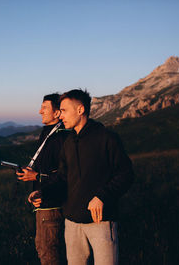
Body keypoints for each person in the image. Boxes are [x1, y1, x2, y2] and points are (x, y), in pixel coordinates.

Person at [39, 89, 134, 265]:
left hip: (101, 221)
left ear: (80, 110)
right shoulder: (68, 143)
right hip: (72, 223)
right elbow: (62, 178)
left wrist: (102, 197)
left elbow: (126, 174)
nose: (60, 116)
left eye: (64, 110)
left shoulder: (107, 138)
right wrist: (43, 194)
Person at [16, 93, 68, 265]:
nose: (40, 111)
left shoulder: (61, 137)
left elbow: (65, 175)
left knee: (49, 253)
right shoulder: (48, 133)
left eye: (45, 107)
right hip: (43, 202)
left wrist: (36, 176)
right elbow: (48, 166)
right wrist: (32, 171)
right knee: (42, 248)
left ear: (57, 113)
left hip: (52, 206)